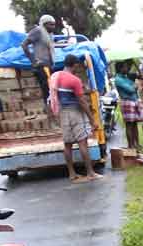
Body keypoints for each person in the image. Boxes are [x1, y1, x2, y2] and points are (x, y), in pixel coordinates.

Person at [50, 54, 102, 182]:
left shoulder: (55, 76)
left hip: (62, 112)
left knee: (67, 144)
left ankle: (72, 174)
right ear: (74, 65)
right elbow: (82, 102)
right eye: (77, 66)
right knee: (82, 142)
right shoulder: (74, 80)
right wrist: (92, 119)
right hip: (75, 113)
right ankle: (90, 173)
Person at [21, 15, 56, 103]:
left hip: (49, 65)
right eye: (50, 25)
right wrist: (33, 60)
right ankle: (50, 112)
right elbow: (24, 44)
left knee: (52, 89)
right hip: (42, 65)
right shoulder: (38, 31)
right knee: (47, 91)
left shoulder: (50, 35)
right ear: (44, 24)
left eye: (54, 25)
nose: (53, 27)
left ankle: (53, 110)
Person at [114, 61, 143, 151]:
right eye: (125, 67)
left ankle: (137, 144)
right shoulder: (118, 79)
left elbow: (142, 76)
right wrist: (135, 85)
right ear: (120, 68)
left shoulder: (127, 76)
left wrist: (135, 64)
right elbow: (131, 90)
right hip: (127, 102)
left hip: (134, 101)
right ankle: (131, 145)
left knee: (134, 123)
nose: (127, 68)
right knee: (129, 124)